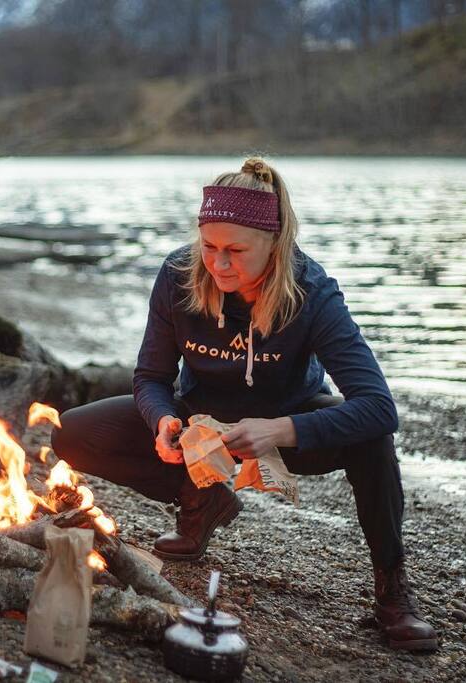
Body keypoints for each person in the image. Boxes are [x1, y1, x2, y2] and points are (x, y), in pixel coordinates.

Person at [51, 158, 438, 651]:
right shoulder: (178, 276)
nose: (219, 264)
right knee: (72, 433)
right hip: (200, 428)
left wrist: (280, 430)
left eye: (235, 250)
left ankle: (392, 586)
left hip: (283, 425)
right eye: (209, 246)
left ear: (273, 243)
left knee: (372, 437)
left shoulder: (312, 292)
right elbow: (151, 377)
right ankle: (200, 500)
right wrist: (162, 419)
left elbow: (380, 407)